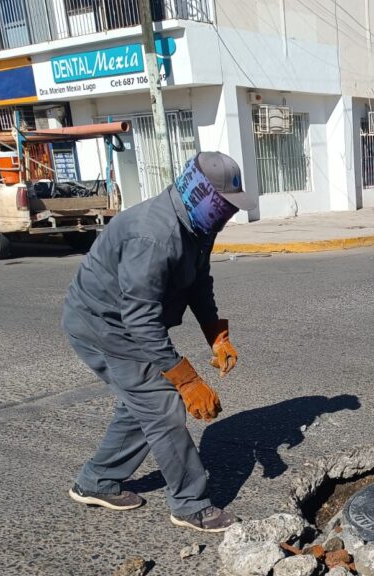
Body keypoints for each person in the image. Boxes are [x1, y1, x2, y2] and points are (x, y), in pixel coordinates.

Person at [61, 151, 255, 533]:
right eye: (224, 205)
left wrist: (215, 333)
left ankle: (96, 480)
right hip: (104, 326)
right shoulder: (154, 235)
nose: (229, 214)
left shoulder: (199, 225)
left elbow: (199, 282)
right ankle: (190, 504)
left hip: (126, 322)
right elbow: (140, 318)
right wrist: (185, 380)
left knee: (142, 403)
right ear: (198, 192)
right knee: (164, 404)